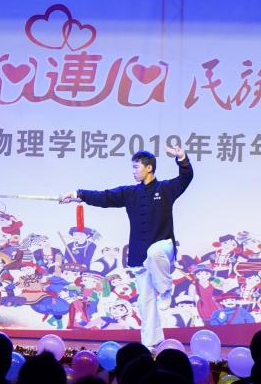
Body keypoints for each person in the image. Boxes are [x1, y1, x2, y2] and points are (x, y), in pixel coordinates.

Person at [61, 145, 194, 348]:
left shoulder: (166, 189)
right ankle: (151, 343)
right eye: (132, 167)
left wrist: (182, 158)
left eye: (136, 167)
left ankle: (166, 290)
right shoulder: (130, 193)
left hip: (163, 247)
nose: (133, 171)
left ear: (149, 168)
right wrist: (77, 193)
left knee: (154, 252)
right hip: (139, 256)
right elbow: (104, 196)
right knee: (145, 301)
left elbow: (186, 177)